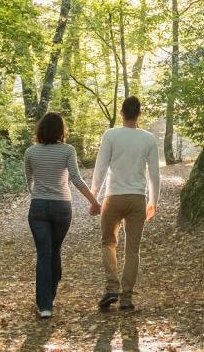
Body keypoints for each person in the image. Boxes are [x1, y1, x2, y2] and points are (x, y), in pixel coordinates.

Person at [25, 112, 101, 318]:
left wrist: (40, 195)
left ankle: (45, 306)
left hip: (38, 207)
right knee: (54, 250)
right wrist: (94, 202)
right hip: (62, 208)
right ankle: (51, 296)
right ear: (61, 131)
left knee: (43, 254)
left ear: (40, 130)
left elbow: (29, 181)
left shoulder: (30, 152)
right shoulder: (68, 150)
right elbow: (76, 179)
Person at [91, 95, 160, 312]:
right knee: (132, 249)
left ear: (121, 113)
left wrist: (94, 197)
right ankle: (126, 298)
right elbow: (155, 175)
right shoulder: (148, 139)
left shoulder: (111, 135)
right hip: (137, 199)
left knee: (108, 242)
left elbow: (100, 168)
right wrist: (153, 201)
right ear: (139, 115)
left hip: (113, 197)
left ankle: (112, 287)